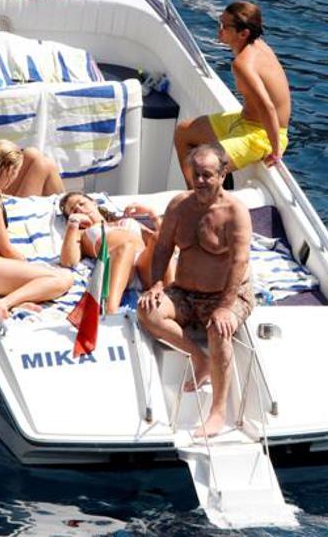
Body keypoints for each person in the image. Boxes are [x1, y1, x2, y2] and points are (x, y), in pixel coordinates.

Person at [137, 144, 255, 437]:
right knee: (147, 311)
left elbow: (239, 262)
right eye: (196, 174)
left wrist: (225, 307)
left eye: (207, 175)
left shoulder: (235, 212)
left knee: (219, 330)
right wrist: (157, 284)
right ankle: (198, 357)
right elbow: (163, 248)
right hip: (186, 292)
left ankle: (218, 412)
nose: (200, 180)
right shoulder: (179, 205)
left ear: (222, 175)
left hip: (227, 294)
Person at [174, 0, 291, 187]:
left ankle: (205, 199)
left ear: (244, 33)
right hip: (245, 121)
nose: (219, 29)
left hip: (261, 135)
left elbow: (267, 107)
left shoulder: (242, 64)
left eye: (224, 26)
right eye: (219, 22)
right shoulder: (257, 44)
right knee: (183, 132)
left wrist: (276, 152)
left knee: (204, 166)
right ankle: (194, 194)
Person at [0, 140, 73, 319]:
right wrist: (29, 263)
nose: (15, 177)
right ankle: (3, 303)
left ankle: (16, 302)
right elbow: (6, 249)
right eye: (16, 171)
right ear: (7, 169)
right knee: (62, 279)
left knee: (55, 276)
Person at [59, 192, 175, 314]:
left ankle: (173, 299)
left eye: (82, 204)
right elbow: (69, 261)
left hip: (144, 266)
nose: (79, 209)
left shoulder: (127, 221)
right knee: (126, 246)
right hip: (117, 265)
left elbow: (168, 244)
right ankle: (110, 311)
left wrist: (153, 215)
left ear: (93, 203)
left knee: (159, 238)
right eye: (74, 210)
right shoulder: (83, 233)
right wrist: (73, 223)